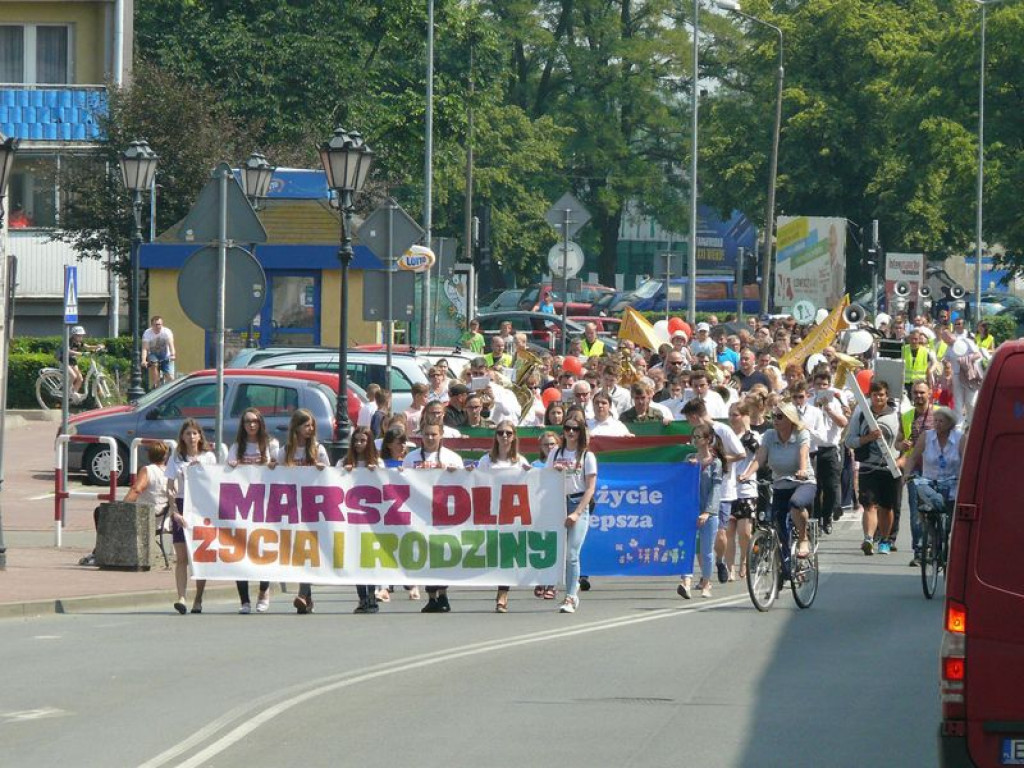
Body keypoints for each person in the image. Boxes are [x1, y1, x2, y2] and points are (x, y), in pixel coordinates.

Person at [737, 402, 817, 575]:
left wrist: (802, 470)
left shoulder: (801, 434)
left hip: (803, 483)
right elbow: (760, 457)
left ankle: (803, 539)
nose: (775, 420)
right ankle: (785, 567)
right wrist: (747, 474)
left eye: (779, 417)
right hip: (780, 483)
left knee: (796, 504)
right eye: (773, 416)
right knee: (777, 525)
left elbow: (803, 453)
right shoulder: (769, 435)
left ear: (790, 419)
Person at [78, 441, 173, 567]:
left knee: (100, 512)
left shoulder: (148, 470)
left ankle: (100, 553)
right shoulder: (169, 474)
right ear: (166, 456)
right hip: (162, 519)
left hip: (143, 517)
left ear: (149, 455)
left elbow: (137, 489)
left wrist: (123, 506)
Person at [403, 422, 464, 613]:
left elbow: (464, 483)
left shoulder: (452, 458)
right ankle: (431, 596)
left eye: (434, 435)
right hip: (420, 514)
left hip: (444, 513)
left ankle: (443, 594)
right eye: (427, 434)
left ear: (441, 435)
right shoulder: (410, 458)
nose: (430, 438)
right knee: (425, 555)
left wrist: (451, 472)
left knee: (442, 554)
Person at [476, 420, 533, 613]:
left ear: (514, 436)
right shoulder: (486, 460)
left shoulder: (520, 461)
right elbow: (475, 481)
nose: (504, 436)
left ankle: (502, 594)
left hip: (511, 513)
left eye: (508, 433)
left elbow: (532, 484)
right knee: (491, 552)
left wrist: (532, 474)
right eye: (500, 433)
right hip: (489, 512)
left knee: (506, 553)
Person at [227, 408, 279, 614]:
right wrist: (232, 465)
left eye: (255, 421)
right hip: (242, 507)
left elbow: (281, 465)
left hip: (265, 505)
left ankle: (264, 591)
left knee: (263, 550)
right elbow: (226, 472)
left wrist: (274, 465)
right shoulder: (237, 446)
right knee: (241, 551)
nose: (252, 425)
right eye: (248, 421)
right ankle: (244, 601)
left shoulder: (271, 444)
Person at [277, 409, 329, 614]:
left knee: (308, 550)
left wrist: (320, 469)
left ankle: (302, 593)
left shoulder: (318, 449)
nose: (310, 429)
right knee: (298, 550)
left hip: (313, 507)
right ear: (296, 427)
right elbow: (276, 477)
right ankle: (307, 597)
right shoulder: (285, 450)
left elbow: (331, 477)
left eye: (311, 425)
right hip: (291, 506)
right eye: (306, 425)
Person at [166, 419, 219, 615]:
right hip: (181, 504)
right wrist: (174, 511)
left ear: (200, 436)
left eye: (194, 433)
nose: (191, 437)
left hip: (201, 507)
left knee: (199, 555)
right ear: (182, 436)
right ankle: (181, 597)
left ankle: (198, 597)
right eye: (187, 433)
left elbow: (215, 484)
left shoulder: (209, 457)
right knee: (181, 557)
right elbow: (169, 486)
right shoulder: (176, 457)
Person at [548, 415, 597, 614]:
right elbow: (544, 478)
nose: (570, 432)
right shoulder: (555, 453)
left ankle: (570, 596)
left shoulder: (587, 456)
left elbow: (590, 489)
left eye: (575, 429)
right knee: (559, 552)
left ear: (581, 432)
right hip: (558, 502)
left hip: (578, 504)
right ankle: (557, 587)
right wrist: (554, 470)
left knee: (572, 553)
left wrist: (577, 513)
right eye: (567, 428)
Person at [847, 381, 903, 555]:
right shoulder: (861, 415)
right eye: (875, 395)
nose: (878, 398)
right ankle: (868, 539)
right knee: (869, 504)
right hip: (867, 467)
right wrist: (868, 438)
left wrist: (903, 451)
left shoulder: (896, 415)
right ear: (870, 396)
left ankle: (885, 541)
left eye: (882, 395)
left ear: (887, 396)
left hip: (889, 467)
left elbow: (902, 442)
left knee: (887, 507)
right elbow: (849, 441)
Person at [899, 406, 963, 558]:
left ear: (950, 424)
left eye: (941, 421)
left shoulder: (960, 438)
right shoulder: (926, 436)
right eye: (936, 420)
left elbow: (968, 460)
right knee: (927, 511)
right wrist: (907, 474)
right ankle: (931, 539)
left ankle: (945, 542)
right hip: (929, 481)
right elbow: (913, 457)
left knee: (948, 523)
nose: (937, 424)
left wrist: (964, 478)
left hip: (952, 483)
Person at [339, 426, 384, 614]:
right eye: (356, 440)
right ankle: (362, 598)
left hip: (372, 520)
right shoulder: (344, 462)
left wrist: (377, 474)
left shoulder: (378, 463)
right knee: (355, 558)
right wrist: (344, 472)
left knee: (369, 559)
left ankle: (372, 595)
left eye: (363, 441)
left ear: (369, 442)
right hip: (351, 519)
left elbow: (388, 486)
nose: (359, 444)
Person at [678, 424, 726, 599]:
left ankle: (706, 583)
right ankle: (686, 582)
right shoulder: (689, 458)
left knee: (706, 550)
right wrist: (689, 469)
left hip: (708, 512)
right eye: (694, 437)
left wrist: (708, 512)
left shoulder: (716, 463)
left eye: (699, 437)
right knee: (687, 548)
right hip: (689, 511)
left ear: (707, 440)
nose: (695, 440)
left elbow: (716, 489)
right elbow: (681, 483)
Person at [809, 370, 848, 535]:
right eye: (818, 385)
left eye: (825, 385)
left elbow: (843, 422)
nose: (822, 388)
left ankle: (827, 517)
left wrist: (828, 409)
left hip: (830, 448)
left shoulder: (835, 402)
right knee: (814, 487)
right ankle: (816, 520)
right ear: (813, 385)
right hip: (814, 449)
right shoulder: (809, 402)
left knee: (831, 486)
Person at [532, 430, 561, 600]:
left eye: (552, 444)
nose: (549, 447)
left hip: (558, 507)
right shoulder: (535, 464)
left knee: (554, 544)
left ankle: (551, 583)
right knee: (538, 543)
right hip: (539, 509)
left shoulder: (564, 463)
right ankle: (540, 579)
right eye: (546, 444)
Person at [61, 325, 103, 402]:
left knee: (80, 378)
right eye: (79, 335)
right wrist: (81, 353)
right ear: (74, 335)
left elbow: (87, 346)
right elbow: (68, 351)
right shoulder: (68, 341)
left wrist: (97, 346)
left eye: (82, 335)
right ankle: (66, 392)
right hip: (63, 360)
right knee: (73, 376)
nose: (81, 337)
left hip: (72, 360)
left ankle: (73, 395)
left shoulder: (79, 342)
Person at [142, 316, 176, 390]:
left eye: (160, 324)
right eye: (156, 325)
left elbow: (171, 345)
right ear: (152, 325)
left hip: (166, 355)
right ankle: (156, 384)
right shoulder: (147, 333)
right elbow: (145, 348)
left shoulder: (167, 332)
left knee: (171, 378)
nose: (158, 326)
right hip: (153, 355)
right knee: (154, 363)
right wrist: (144, 360)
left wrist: (173, 355)